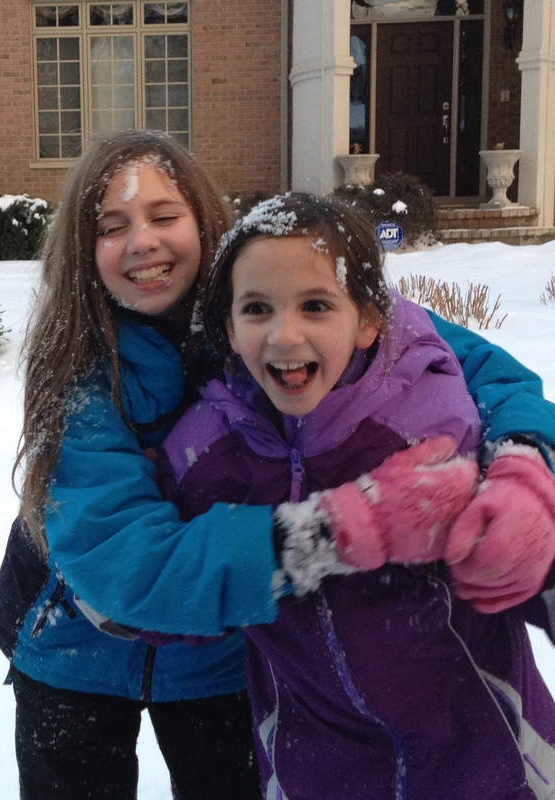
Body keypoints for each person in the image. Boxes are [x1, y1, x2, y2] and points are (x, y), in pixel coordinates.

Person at [0, 130, 554, 798]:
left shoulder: (272, 298)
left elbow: (474, 370)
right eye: (111, 227)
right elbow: (122, 562)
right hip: (71, 652)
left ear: (204, 220)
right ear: (82, 252)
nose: (141, 241)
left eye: (164, 215)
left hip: (231, 658)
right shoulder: (81, 376)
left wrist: (525, 469)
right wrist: (332, 531)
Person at [154, 192, 555, 799]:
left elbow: (526, 563)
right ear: (230, 329)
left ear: (369, 319)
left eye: (316, 305)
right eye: (257, 309)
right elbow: (147, 596)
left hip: (484, 765)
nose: (285, 335)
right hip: (314, 773)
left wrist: (526, 537)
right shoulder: (209, 455)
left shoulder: (432, 432)